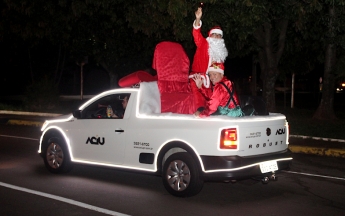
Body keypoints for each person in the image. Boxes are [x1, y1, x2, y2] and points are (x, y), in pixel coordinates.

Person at [190, 6, 229, 110]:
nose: (216, 37)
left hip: (211, 80)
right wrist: (198, 19)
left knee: (217, 97)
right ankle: (200, 112)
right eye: (214, 35)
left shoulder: (220, 54)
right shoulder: (203, 44)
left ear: (221, 38)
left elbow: (220, 74)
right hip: (197, 76)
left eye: (218, 36)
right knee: (199, 99)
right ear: (210, 36)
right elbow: (196, 34)